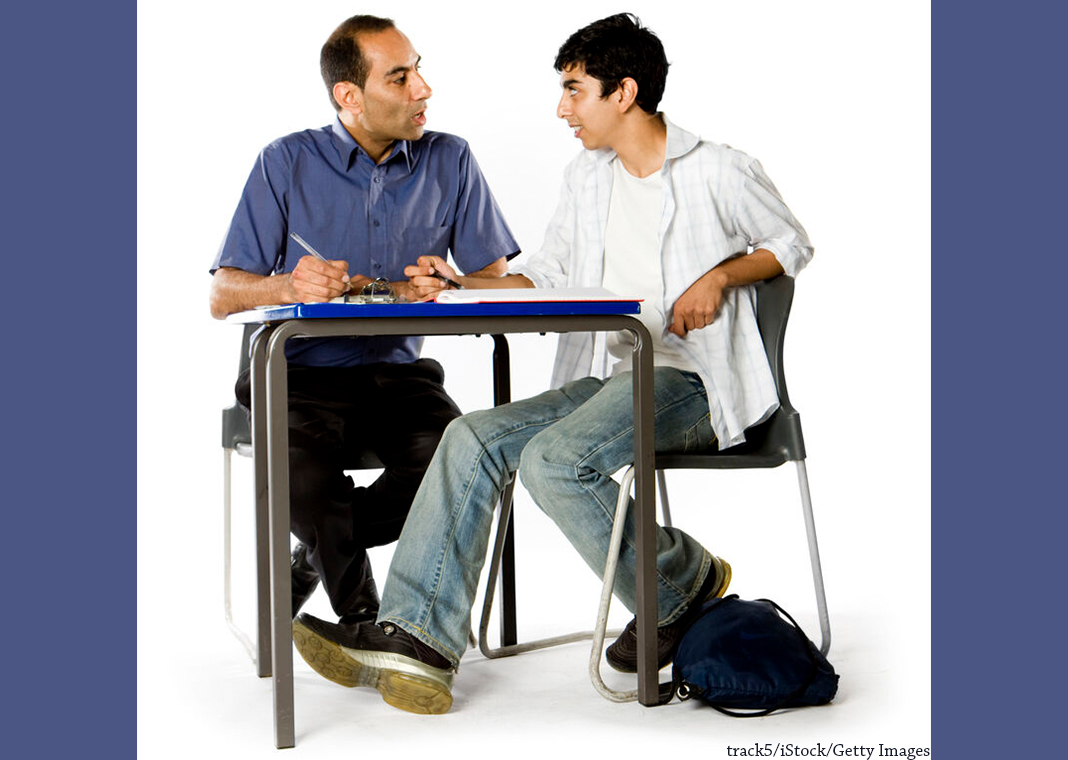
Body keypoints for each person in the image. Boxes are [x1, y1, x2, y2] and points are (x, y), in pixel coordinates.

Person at [291, 12, 813, 715]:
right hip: (615, 377)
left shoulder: (718, 168)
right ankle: (418, 639)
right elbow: (549, 273)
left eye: (574, 90)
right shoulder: (587, 177)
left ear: (622, 92)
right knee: (470, 436)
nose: (562, 108)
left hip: (695, 379)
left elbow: (791, 241)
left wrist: (720, 276)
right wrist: (462, 283)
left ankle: (678, 584)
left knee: (555, 460)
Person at [208, 15, 519, 626]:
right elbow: (222, 293)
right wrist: (287, 283)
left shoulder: (450, 161)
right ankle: (364, 622)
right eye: (400, 77)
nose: (423, 89)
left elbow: (499, 284)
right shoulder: (284, 161)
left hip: (396, 377)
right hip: (294, 376)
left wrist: (453, 282)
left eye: (419, 70)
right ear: (348, 96)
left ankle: (317, 558)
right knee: (306, 484)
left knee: (461, 462)